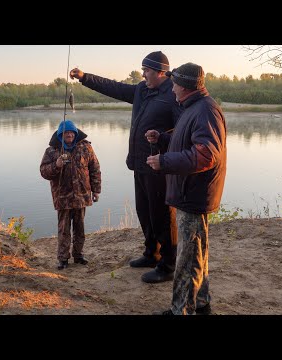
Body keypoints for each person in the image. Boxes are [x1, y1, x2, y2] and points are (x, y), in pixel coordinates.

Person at [70, 51, 181, 283]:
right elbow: (114, 87)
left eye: (147, 71)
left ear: (161, 72)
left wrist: (161, 139)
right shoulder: (141, 90)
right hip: (139, 163)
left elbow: (182, 132)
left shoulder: (173, 93)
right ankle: (152, 254)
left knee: (162, 215)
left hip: (159, 165)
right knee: (144, 211)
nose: (143, 75)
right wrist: (84, 77)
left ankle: (169, 265)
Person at [146, 62, 227, 315]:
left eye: (175, 85)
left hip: (193, 194)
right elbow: (188, 143)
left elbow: (205, 156)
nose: (172, 90)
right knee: (197, 253)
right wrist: (163, 139)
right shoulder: (194, 108)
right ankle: (201, 304)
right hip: (191, 193)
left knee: (187, 259)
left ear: (186, 86)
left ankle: (181, 310)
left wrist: (164, 161)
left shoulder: (205, 111)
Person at [40, 119, 101, 270]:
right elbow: (43, 171)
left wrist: (96, 190)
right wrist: (57, 165)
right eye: (66, 132)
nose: (69, 135)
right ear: (60, 134)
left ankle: (78, 255)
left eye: (71, 132)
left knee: (80, 228)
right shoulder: (52, 151)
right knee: (64, 230)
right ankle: (63, 259)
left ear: (75, 133)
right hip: (63, 198)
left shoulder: (86, 147)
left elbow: (95, 169)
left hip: (82, 195)